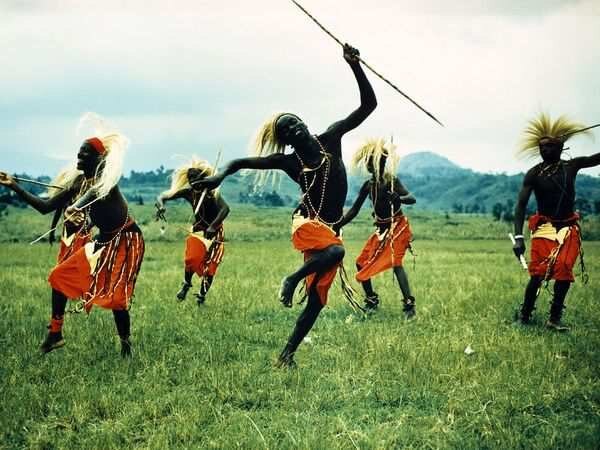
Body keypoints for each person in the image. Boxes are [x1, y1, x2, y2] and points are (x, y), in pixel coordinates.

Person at [195, 44, 376, 367]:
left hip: (330, 228)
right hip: (307, 223)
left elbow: (368, 105)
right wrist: (219, 176)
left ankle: (286, 356)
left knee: (317, 301)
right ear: (287, 140)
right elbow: (240, 162)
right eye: (287, 130)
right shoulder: (289, 162)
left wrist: (354, 65)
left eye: (294, 122)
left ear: (304, 122)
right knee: (336, 252)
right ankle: (291, 280)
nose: (293, 129)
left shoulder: (331, 137)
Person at [0, 113, 144, 356]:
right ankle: (55, 334)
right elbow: (45, 206)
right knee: (59, 276)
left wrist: (75, 207)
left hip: (126, 240)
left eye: (84, 153)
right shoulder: (78, 182)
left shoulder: (106, 182)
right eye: (79, 152)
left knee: (117, 298)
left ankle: (126, 347)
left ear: (99, 158)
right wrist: (13, 185)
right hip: (102, 240)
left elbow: (94, 193)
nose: (79, 156)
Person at [513, 113, 599, 331]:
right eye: (542, 146)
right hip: (544, 227)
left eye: (550, 146)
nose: (545, 150)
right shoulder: (533, 174)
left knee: (563, 269)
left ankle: (554, 318)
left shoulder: (572, 166)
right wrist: (519, 237)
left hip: (568, 227)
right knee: (537, 274)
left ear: (560, 147)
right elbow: (521, 206)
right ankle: (525, 315)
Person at [335, 138, 416, 317]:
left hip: (397, 226)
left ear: (382, 162)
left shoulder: (391, 181)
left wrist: (399, 198)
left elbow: (411, 198)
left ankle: (409, 305)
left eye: (373, 161)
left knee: (395, 262)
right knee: (361, 262)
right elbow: (354, 210)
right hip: (381, 230)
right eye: (368, 162)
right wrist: (338, 225)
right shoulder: (368, 186)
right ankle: (371, 300)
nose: (370, 165)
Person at [155, 158, 229, 305]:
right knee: (191, 258)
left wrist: (213, 226)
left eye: (195, 177)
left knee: (210, 268)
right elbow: (163, 196)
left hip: (215, 233)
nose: (192, 181)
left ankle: (201, 296)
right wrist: (161, 205)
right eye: (190, 178)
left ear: (203, 177)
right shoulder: (189, 192)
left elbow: (225, 209)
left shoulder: (212, 193)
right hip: (198, 230)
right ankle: (186, 283)